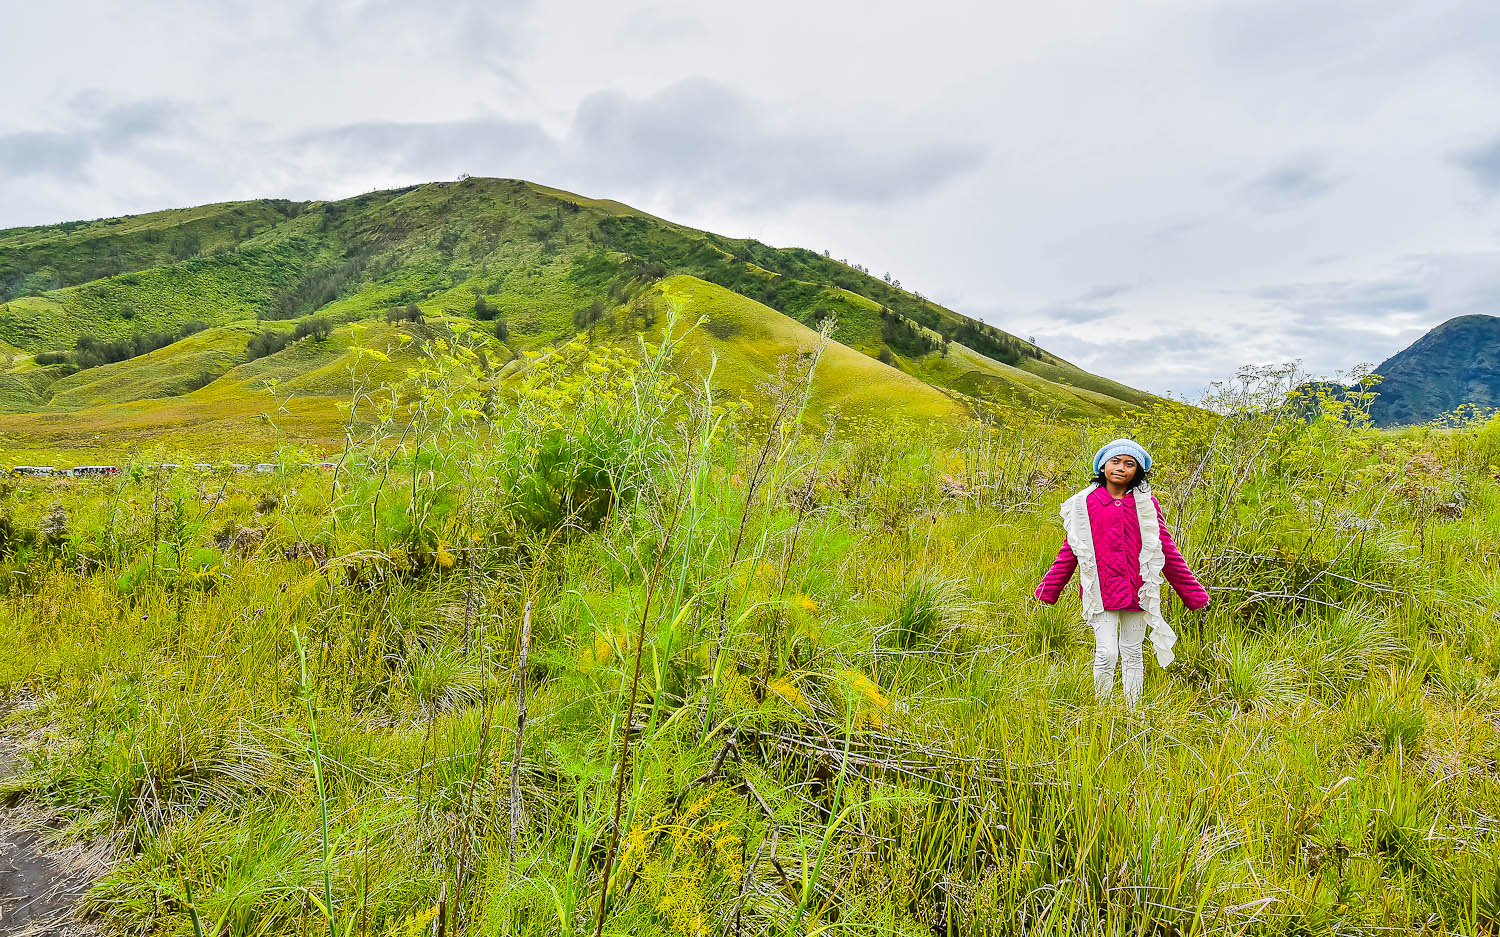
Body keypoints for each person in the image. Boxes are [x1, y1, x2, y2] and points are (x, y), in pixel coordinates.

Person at [1033, 438, 1208, 706]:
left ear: (1137, 471)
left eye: (1129, 464)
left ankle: (1132, 711)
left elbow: (1167, 550)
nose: (1121, 468)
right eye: (1115, 461)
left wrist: (1192, 594)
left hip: (1138, 590)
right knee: (1106, 653)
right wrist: (1049, 589)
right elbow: (1071, 550)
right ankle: (1102, 709)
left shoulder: (1147, 505)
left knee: (1132, 652)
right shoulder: (1083, 504)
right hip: (1099, 591)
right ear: (1103, 466)